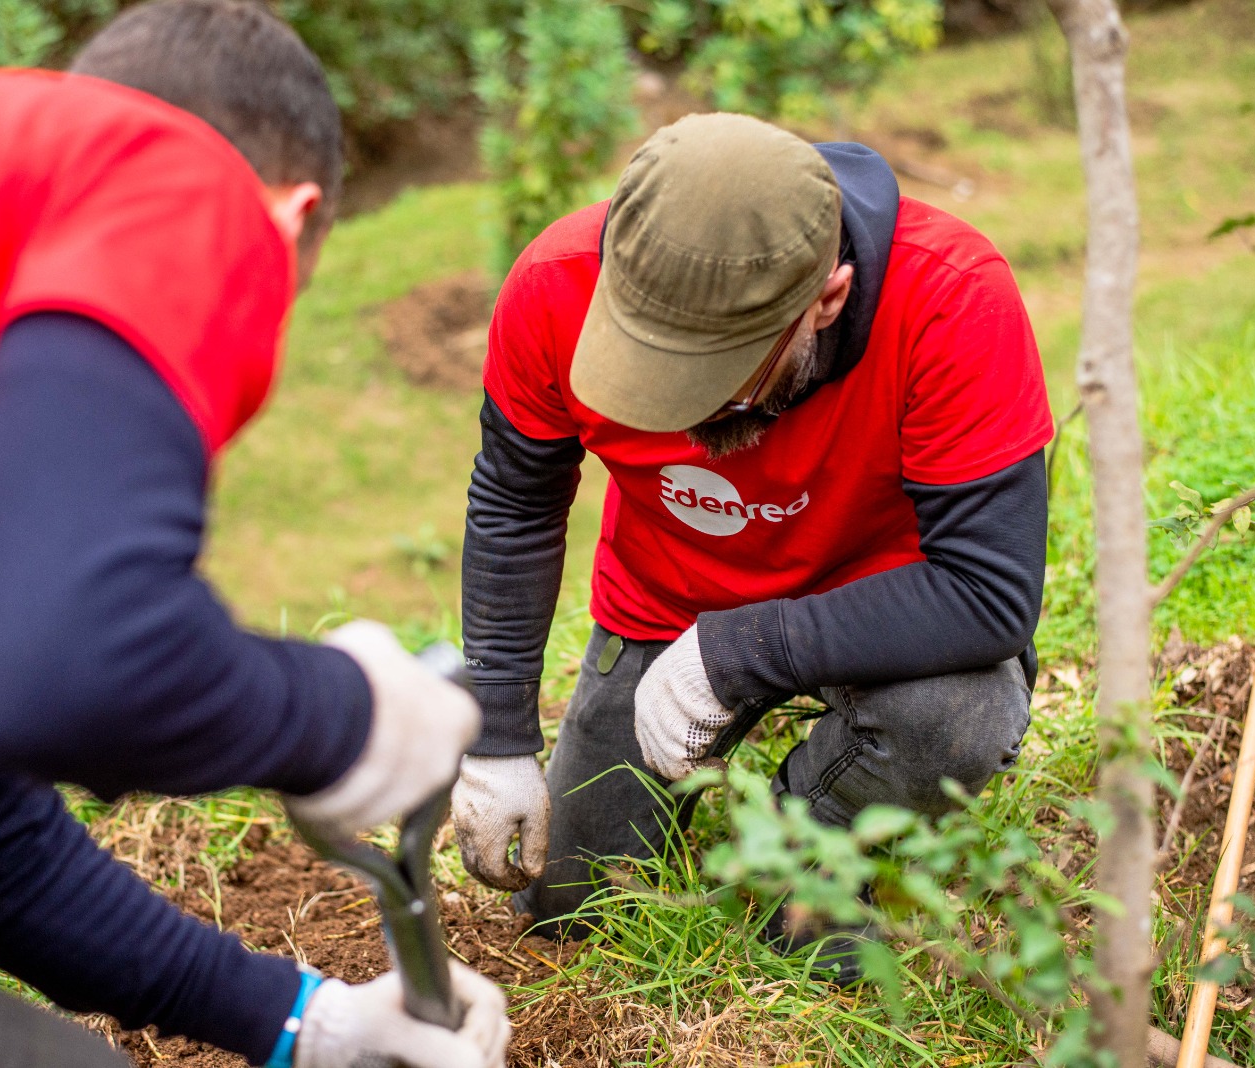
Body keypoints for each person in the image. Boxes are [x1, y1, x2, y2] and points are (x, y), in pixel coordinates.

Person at [0, 2, 508, 1066]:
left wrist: (302, 1023)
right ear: (292, 215)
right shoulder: (180, 177)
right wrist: (344, 715)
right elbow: (65, 662)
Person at [451, 113, 1053, 975]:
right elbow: (516, 498)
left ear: (828, 299)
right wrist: (499, 731)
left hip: (888, 615)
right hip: (666, 598)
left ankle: (800, 872)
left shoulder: (951, 297)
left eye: (714, 379)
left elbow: (987, 594)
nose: (677, 415)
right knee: (571, 912)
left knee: (953, 723)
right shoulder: (554, 283)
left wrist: (743, 652)